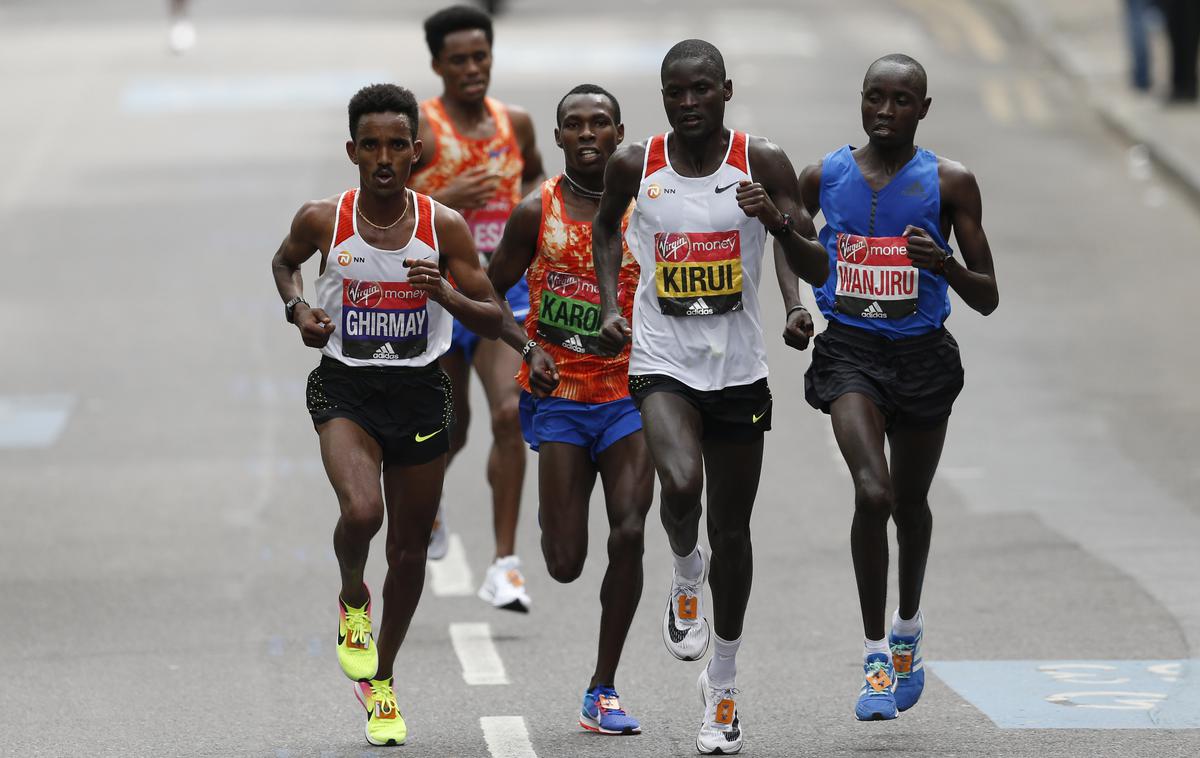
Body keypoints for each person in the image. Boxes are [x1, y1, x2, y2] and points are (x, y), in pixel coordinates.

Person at [593, 39, 828, 755]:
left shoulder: (764, 163)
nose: (688, 103)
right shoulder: (638, 163)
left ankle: (721, 686)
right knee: (681, 482)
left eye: (701, 90)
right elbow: (606, 230)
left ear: (725, 90)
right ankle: (684, 566)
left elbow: (811, 255)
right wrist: (611, 305)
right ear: (663, 97)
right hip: (662, 360)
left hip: (739, 371)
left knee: (735, 532)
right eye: (675, 92)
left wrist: (783, 235)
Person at [270, 83, 502, 746]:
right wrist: (299, 310)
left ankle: (382, 681)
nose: (383, 156)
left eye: (397, 144)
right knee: (363, 514)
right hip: (345, 388)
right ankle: (351, 599)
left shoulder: (442, 228)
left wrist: (456, 299)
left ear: (416, 152)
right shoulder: (323, 218)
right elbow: (286, 265)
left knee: (406, 552)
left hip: (421, 394)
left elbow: (489, 309)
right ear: (351, 149)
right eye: (370, 144)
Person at [798, 54, 999, 721]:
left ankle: (909, 627)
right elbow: (787, 237)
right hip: (850, 353)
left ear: (923, 109)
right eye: (875, 98)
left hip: (921, 359)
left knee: (910, 505)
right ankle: (876, 651)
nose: (886, 111)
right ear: (860, 102)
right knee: (871, 490)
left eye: (902, 100)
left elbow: (989, 296)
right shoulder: (823, 175)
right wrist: (796, 303)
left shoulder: (951, 182)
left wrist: (942, 262)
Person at [488, 84, 652, 736]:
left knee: (632, 532)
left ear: (618, 134)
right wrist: (528, 344)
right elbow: (487, 292)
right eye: (575, 126)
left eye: (600, 124)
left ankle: (602, 688)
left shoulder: (649, 210)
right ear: (558, 139)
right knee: (564, 562)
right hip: (558, 400)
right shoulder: (537, 212)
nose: (588, 135)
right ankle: (554, 528)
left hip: (631, 398)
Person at [408, 5, 545, 612]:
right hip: (437, 298)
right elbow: (380, 207)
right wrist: (442, 197)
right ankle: (430, 502)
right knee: (449, 427)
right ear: (436, 64)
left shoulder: (515, 123)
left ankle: (505, 564)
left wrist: (532, 206)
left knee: (509, 413)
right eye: (458, 59)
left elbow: (541, 182)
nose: (471, 68)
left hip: (501, 295)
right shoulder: (424, 128)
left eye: (480, 56)